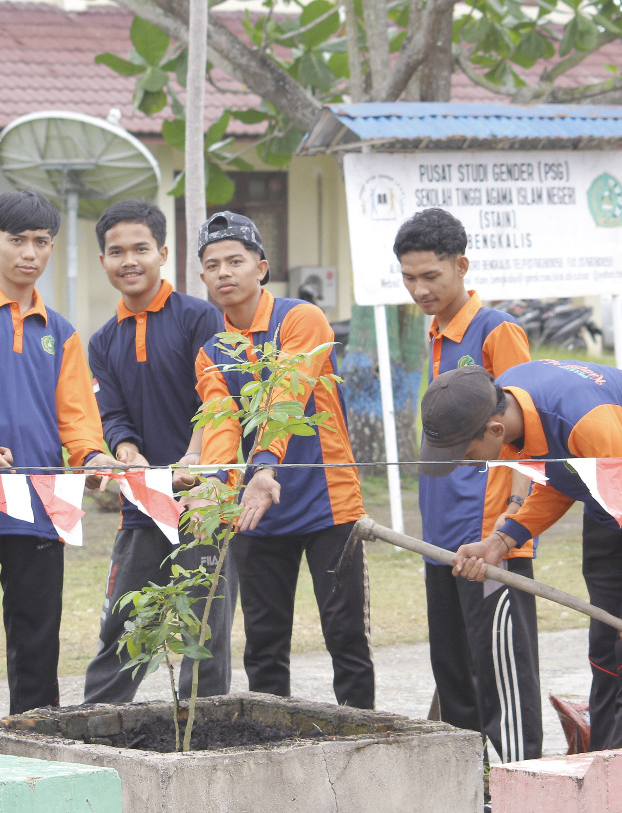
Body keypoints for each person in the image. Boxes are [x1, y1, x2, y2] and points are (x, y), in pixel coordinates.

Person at [0, 191, 122, 720]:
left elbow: (77, 418)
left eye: (41, 241)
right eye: (17, 240)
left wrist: (92, 458)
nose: (29, 252)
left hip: (43, 504)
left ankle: (35, 760)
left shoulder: (62, 332)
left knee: (37, 643)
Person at [428, 360, 622, 750]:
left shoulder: (585, 422)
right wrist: (500, 541)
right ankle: (599, 762)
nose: (461, 462)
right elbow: (560, 478)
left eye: (463, 450)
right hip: (606, 491)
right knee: (607, 648)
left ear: (495, 429)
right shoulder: (504, 399)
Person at [192, 211, 374, 708]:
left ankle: (363, 743)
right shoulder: (211, 352)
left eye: (235, 260)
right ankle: (271, 751)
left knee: (347, 639)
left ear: (262, 267)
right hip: (258, 509)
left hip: (327, 505)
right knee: (264, 645)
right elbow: (220, 422)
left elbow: (287, 395)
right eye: (212, 265)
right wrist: (214, 485)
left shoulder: (301, 318)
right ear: (203, 278)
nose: (224, 272)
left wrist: (265, 466)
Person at [394, 208, 541, 763]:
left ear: (461, 265)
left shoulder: (496, 331)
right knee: (454, 674)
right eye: (409, 278)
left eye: (431, 276)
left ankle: (522, 785)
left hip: (491, 541)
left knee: (502, 679)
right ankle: (470, 784)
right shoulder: (433, 334)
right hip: (439, 539)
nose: (420, 289)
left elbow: (528, 436)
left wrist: (511, 529)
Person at [80, 199, 234, 704]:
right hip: (141, 505)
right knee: (123, 626)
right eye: (116, 251)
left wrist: (196, 465)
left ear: (163, 252)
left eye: (140, 249)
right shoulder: (102, 341)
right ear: (102, 260)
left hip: (203, 505)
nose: (129, 260)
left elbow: (216, 399)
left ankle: (200, 733)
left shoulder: (199, 317)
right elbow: (113, 416)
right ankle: (95, 731)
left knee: (203, 634)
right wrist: (126, 453)